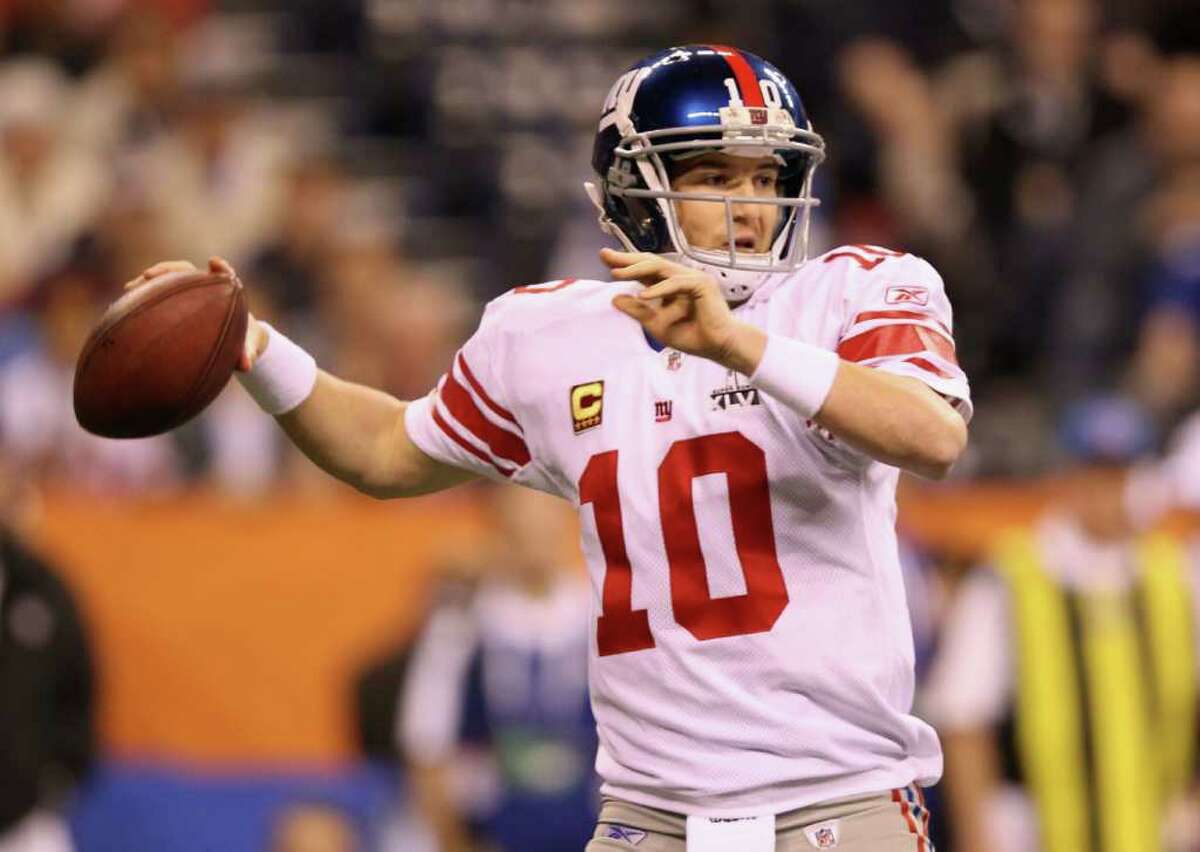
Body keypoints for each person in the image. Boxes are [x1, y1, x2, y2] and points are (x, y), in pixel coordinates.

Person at [129, 45, 970, 851]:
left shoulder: (853, 291)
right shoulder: (547, 335)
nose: (751, 205)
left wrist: (740, 347)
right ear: (638, 190)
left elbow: (931, 434)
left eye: (766, 175)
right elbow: (385, 449)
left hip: (835, 805)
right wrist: (257, 350)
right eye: (715, 175)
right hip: (648, 816)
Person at [923, 396, 1200, 852]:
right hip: (1038, 830)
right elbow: (964, 719)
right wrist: (979, 835)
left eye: (1118, 474)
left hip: (1155, 828)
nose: (1106, 491)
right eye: (1094, 473)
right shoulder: (1012, 575)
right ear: (1066, 476)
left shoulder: (1175, 576)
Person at [400, 485, 597, 852]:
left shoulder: (601, 616)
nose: (535, 537)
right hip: (493, 829)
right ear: (498, 529)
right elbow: (426, 741)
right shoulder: (461, 624)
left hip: (591, 827)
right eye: (521, 524)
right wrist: (452, 839)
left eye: (545, 523)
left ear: (567, 524)